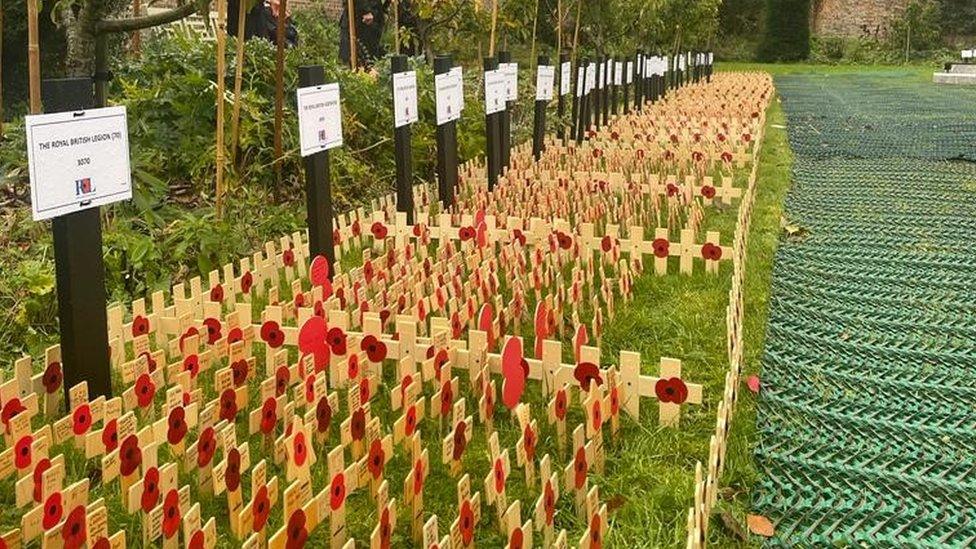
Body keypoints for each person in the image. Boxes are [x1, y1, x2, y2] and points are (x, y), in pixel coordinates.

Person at [339, 0, 386, 68]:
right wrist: (365, 11)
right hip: (360, 19)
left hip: (372, 16)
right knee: (359, 59)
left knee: (371, 59)